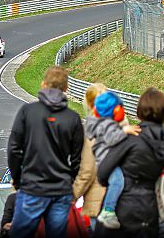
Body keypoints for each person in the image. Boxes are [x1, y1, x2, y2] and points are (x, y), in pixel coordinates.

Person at [8, 66, 84, 238]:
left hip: (32, 186)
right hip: (60, 189)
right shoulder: (72, 118)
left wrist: (18, 178)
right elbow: (77, 158)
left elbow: (14, 149)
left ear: (43, 84)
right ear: (66, 89)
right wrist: (69, 180)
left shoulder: (28, 112)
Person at [94, 88, 164, 238]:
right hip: (149, 209)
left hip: (121, 208)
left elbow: (103, 173)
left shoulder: (131, 138)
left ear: (139, 112)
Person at [85, 91, 141, 229]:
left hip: (102, 159)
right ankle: (108, 210)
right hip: (105, 160)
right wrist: (125, 130)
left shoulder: (98, 124)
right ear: (115, 110)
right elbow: (111, 139)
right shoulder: (107, 125)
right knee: (117, 181)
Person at [73, 83, 107, 233]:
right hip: (126, 201)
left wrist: (72, 196)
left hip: (98, 200)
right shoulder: (123, 127)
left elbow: (87, 171)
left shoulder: (91, 132)